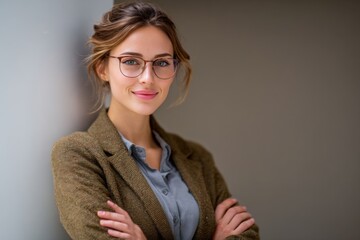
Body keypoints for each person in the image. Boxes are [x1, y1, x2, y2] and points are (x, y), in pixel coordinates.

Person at [51, 1, 260, 239]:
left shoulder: (197, 157)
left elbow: (247, 234)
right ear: (102, 68)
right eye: (131, 61)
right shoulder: (78, 154)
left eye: (161, 63)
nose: (148, 78)